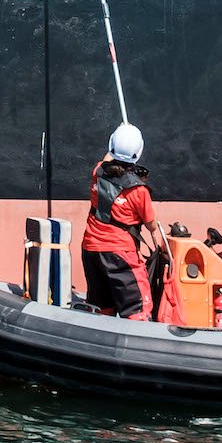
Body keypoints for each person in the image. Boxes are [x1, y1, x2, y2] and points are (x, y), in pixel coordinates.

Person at [81, 122, 158, 319]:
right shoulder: (138, 191)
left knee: (101, 307)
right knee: (137, 309)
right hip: (120, 255)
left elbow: (107, 160)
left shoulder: (97, 172)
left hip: (91, 250)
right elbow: (151, 225)